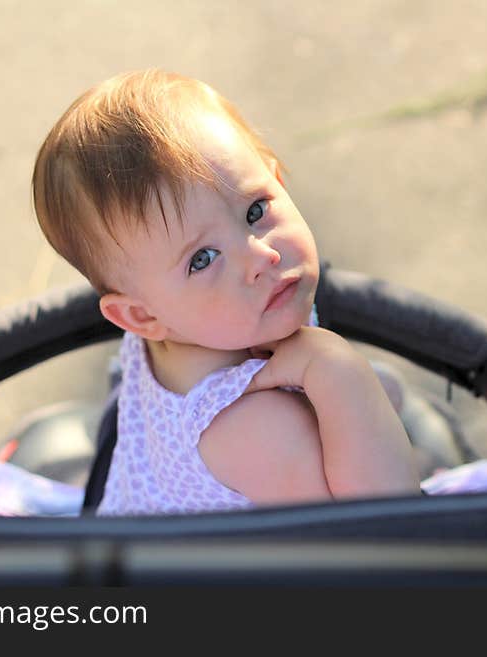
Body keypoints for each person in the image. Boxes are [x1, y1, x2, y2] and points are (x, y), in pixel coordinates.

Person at [31, 70, 424, 516]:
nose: (259, 257)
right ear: (141, 317)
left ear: (277, 178)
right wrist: (341, 376)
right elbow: (388, 532)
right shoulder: (253, 428)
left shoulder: (182, 320)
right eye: (202, 259)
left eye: (256, 210)